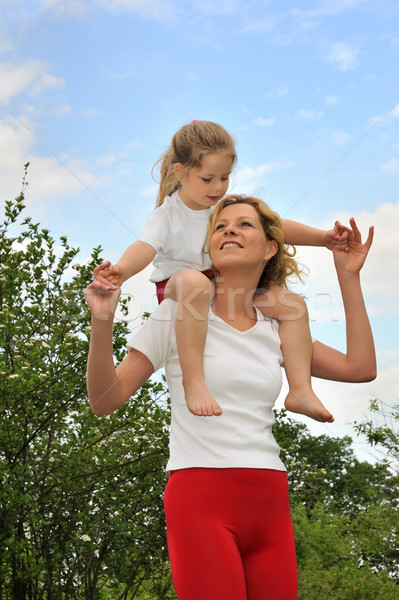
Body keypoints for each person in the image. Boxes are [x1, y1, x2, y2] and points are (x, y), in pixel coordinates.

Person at [85, 195, 376, 600]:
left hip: (269, 497)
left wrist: (349, 275)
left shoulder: (278, 324)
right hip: (200, 494)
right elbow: (103, 399)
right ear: (209, 246)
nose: (229, 231)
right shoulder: (178, 311)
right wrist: (102, 321)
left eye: (244, 225)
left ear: (270, 246)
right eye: (220, 227)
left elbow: (360, 369)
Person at [98, 120, 344, 423]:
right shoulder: (168, 214)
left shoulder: (220, 207)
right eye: (207, 179)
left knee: (290, 304)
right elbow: (145, 246)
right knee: (195, 284)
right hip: (179, 286)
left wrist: (323, 239)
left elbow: (276, 226)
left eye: (225, 178)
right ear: (180, 173)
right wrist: (122, 270)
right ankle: (194, 381)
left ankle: (300, 390)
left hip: (222, 286)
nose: (217, 188)